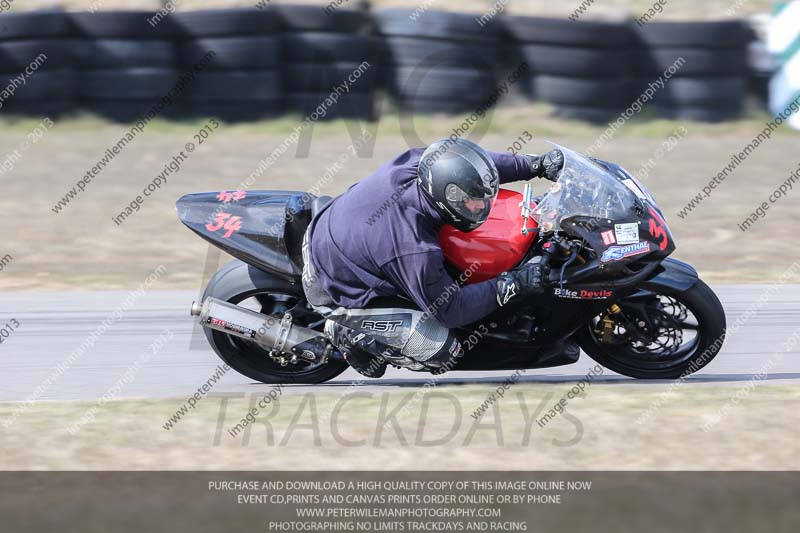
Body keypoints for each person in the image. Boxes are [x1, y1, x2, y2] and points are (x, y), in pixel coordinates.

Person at [301, 138, 564, 377]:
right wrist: (511, 284)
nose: (482, 205)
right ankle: (348, 331)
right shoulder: (414, 247)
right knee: (443, 350)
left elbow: (472, 166)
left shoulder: (425, 164)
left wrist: (535, 164)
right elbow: (450, 309)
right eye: (473, 200)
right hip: (332, 284)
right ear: (446, 197)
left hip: (338, 229)